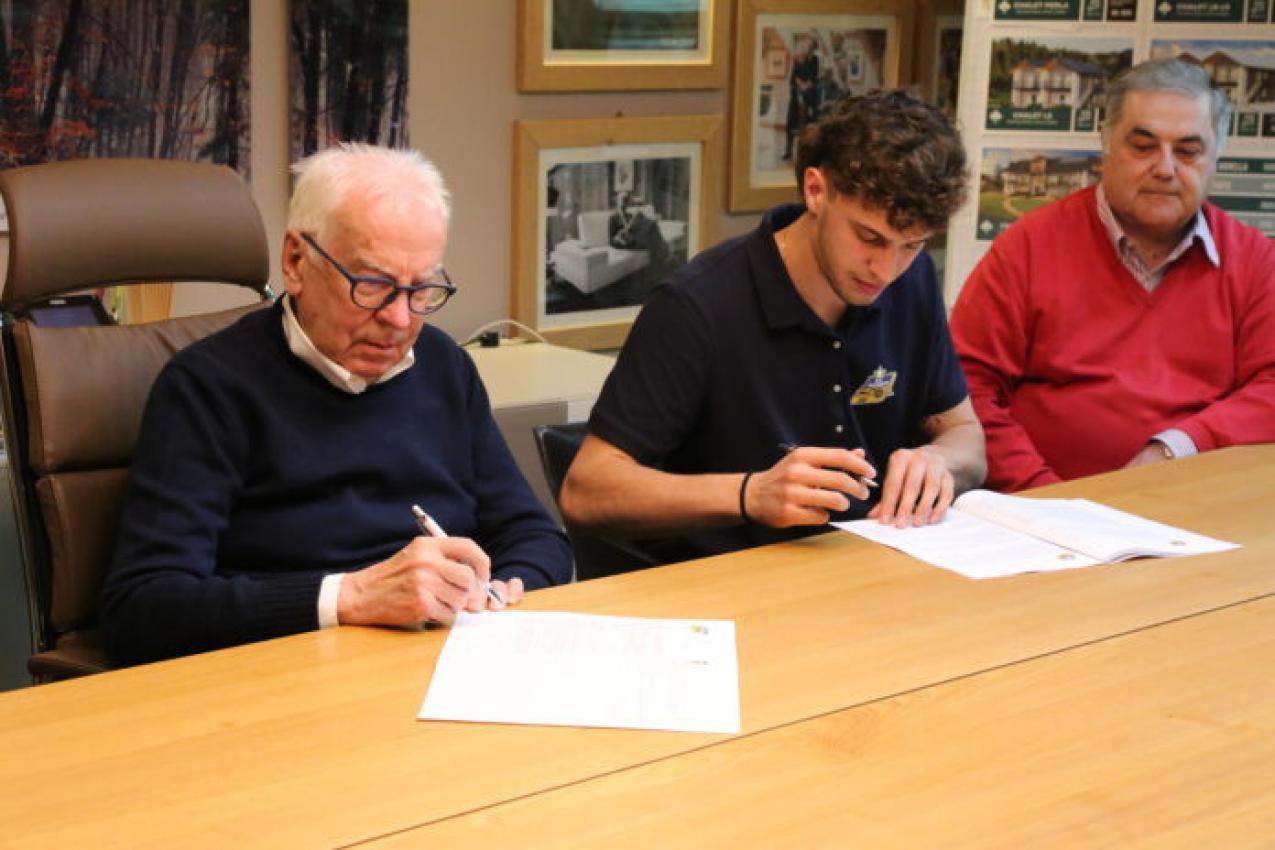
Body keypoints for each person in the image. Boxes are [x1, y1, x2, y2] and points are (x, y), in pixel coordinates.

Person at [101, 144, 572, 665]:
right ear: (297, 262)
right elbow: (143, 609)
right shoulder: (208, 388)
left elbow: (533, 534)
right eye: (373, 286)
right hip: (283, 681)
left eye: (422, 290)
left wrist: (505, 588)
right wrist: (350, 598)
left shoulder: (442, 365)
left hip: (444, 664)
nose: (400, 319)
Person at [561, 90, 986, 563]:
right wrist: (752, 494)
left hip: (874, 565)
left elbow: (964, 432)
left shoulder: (914, 280)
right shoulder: (698, 306)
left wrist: (939, 460)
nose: (885, 271)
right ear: (815, 190)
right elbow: (586, 490)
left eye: (912, 246)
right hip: (735, 587)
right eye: (869, 238)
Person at [950, 59, 1275, 493]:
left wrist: (1176, 447)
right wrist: (1049, 496)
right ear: (1105, 145)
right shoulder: (1028, 246)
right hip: (1037, 513)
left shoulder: (1254, 259)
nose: (1165, 168)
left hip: (1197, 514)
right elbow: (964, 387)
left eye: (1187, 151)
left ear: (1215, 157)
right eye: (1143, 146)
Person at [782, 33, 820, 161]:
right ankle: (788, 151)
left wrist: (805, 86)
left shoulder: (814, 60)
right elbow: (793, 78)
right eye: (806, 44)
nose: (807, 47)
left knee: (808, 126)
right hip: (796, 96)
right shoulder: (797, 59)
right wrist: (800, 85)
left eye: (810, 45)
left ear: (813, 47)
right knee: (790, 123)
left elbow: (813, 77)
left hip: (809, 96)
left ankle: (806, 154)